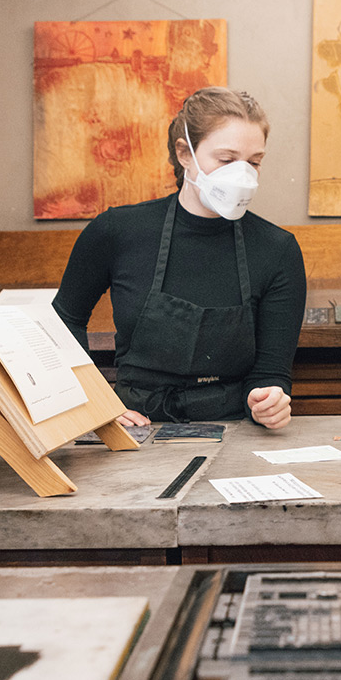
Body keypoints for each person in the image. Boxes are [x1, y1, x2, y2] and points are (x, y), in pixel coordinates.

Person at [55, 87, 306, 429]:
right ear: (185, 154)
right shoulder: (117, 231)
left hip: (230, 428)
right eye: (227, 159)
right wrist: (94, 401)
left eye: (254, 162)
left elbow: (270, 373)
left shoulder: (277, 250)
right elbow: (63, 322)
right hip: (131, 427)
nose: (243, 176)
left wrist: (267, 401)